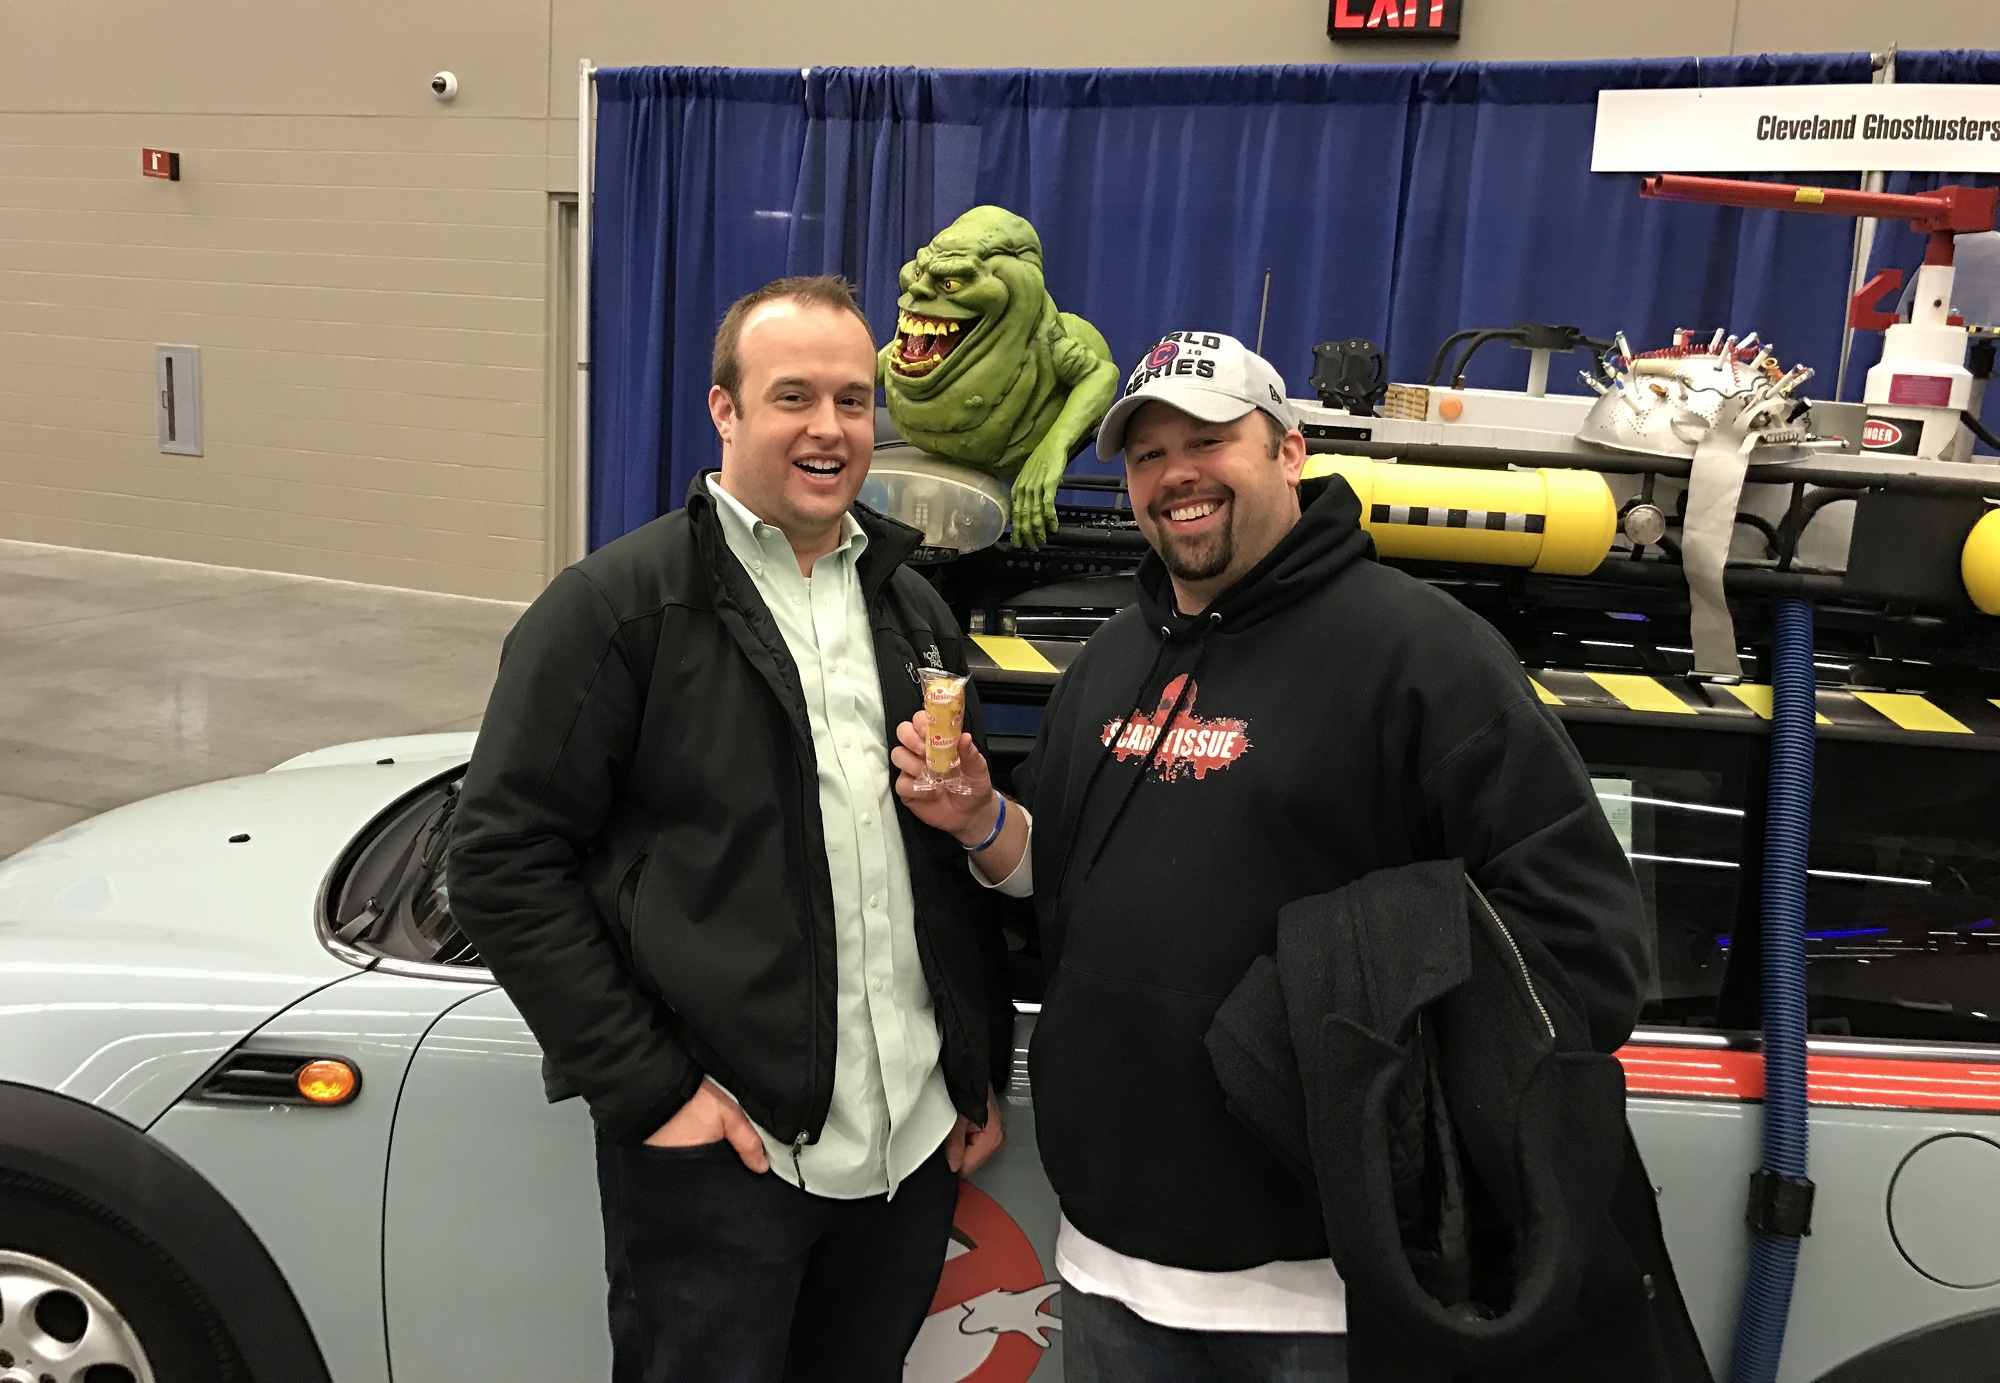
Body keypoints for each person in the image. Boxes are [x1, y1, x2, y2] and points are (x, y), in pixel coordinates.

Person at [894, 331, 1656, 1382]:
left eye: (1208, 441)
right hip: (1108, 1265)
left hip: (1330, 1295)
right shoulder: (1110, 662)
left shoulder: (1422, 654)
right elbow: (1061, 884)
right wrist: (982, 820)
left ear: (1289, 452)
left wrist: (1357, 1073)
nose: (1176, 475)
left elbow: (1583, 944)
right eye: (1148, 455)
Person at [448, 274, 1009, 1383]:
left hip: (905, 1154)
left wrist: (970, 1065)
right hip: (727, 1159)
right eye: (792, 396)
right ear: (725, 409)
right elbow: (500, 859)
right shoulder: (617, 608)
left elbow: (939, 866)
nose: (828, 428)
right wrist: (650, 1091)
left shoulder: (911, 610)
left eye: (853, 401)